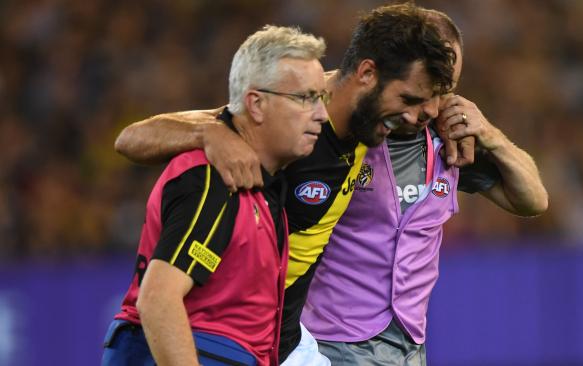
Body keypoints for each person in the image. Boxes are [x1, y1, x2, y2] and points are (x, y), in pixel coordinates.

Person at [113, 4, 457, 364]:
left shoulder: (368, 119)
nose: (421, 115)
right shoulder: (283, 126)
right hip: (229, 332)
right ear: (367, 74)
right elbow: (132, 139)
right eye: (410, 100)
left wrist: (466, 119)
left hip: (281, 336)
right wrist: (210, 132)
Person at [301, 10, 548, 365]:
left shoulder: (452, 139)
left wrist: (491, 136)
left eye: (444, 89)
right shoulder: (344, 126)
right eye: (425, 88)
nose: (432, 105)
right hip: (332, 342)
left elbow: (534, 200)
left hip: (411, 349)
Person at [101, 25, 329, 366]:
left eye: (320, 98)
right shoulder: (217, 179)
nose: (321, 114)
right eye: (305, 98)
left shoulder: (261, 187)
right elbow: (158, 300)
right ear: (256, 104)